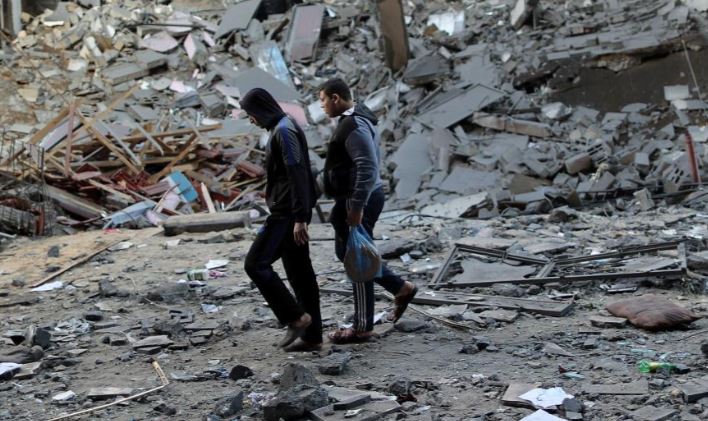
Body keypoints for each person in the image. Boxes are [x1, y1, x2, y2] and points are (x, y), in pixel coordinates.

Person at [318, 78, 418, 344]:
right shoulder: (357, 119)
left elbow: (367, 166)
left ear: (336, 98)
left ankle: (362, 326)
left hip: (357, 199)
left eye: (323, 100)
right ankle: (400, 288)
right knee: (347, 252)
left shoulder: (353, 124)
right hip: (354, 198)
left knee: (357, 259)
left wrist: (357, 206)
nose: (322, 106)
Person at [240, 88, 322, 352]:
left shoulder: (284, 131)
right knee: (300, 273)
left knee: (255, 264)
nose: (251, 120)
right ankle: (312, 336)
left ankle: (296, 318)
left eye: (251, 114)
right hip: (290, 210)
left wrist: (300, 217)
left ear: (261, 110)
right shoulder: (283, 127)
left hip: (286, 213)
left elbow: (298, 172)